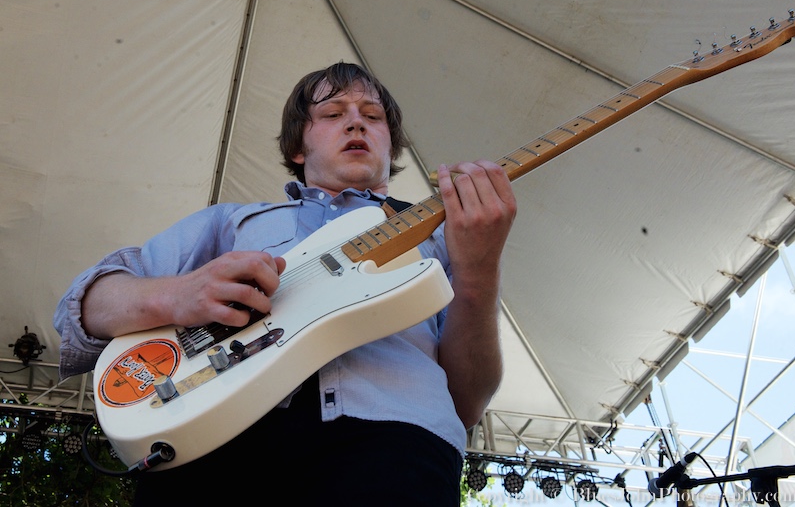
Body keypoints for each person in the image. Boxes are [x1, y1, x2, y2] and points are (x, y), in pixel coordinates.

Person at [54, 62, 517, 506]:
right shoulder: (231, 221)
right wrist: (177, 295)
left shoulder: (444, 236)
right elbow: (85, 307)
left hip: (397, 444)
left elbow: (467, 399)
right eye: (334, 114)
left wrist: (478, 271)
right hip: (212, 433)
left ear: (390, 145)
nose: (356, 124)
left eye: (372, 117)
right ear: (299, 147)